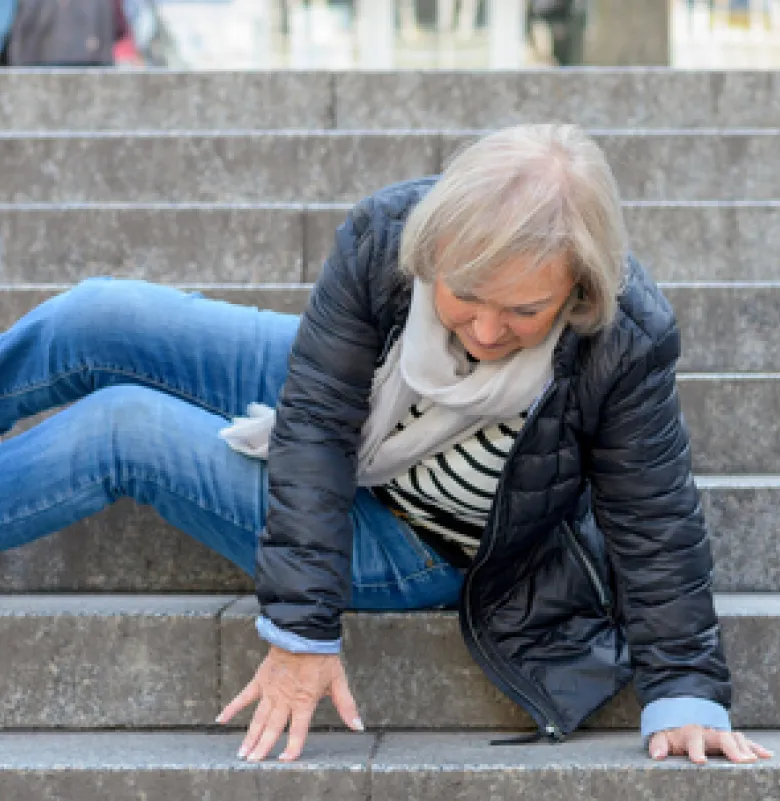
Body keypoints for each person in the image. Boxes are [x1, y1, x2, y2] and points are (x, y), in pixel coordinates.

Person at [1, 125, 772, 766]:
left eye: (525, 309)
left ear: (579, 288)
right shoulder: (387, 237)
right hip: (377, 398)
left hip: (419, 540)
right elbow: (320, 419)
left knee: (122, 426)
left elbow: (654, 516)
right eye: (464, 294)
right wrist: (304, 623)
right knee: (100, 315)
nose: (487, 330)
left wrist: (684, 689)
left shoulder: (623, 338)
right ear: (431, 252)